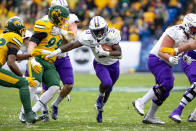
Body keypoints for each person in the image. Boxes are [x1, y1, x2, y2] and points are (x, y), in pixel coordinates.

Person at [42, 16, 122, 123]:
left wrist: (106, 53)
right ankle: (100, 98)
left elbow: (119, 54)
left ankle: (100, 109)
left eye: (101, 30)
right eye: (96, 31)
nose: (99, 34)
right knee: (106, 83)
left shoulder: (112, 34)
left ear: (106, 28)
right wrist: (57, 51)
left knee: (109, 89)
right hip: (100, 64)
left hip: (114, 65)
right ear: (91, 31)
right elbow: (73, 45)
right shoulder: (88, 37)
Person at [132, 13, 196, 124]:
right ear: (186, 24)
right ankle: (141, 101)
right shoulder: (174, 31)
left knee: (165, 91)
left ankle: (150, 116)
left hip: (166, 63)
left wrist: (185, 58)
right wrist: (170, 59)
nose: (194, 30)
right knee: (168, 82)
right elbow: (162, 51)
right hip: (157, 59)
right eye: (193, 28)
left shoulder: (189, 37)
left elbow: (181, 52)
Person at [19, 5, 70, 123]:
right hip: (38, 59)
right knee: (34, 83)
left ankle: (33, 110)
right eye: (62, 18)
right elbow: (32, 43)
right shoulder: (44, 25)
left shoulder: (59, 28)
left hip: (50, 62)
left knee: (54, 87)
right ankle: (23, 113)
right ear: (55, 17)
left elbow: (71, 39)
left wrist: (62, 31)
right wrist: (32, 59)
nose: (64, 21)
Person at [0, 16, 45, 124]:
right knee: (24, 83)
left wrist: (29, 55)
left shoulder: (3, 36)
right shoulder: (14, 37)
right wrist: (23, 77)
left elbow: (12, 56)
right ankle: (29, 115)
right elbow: (11, 62)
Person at [40, 0, 79, 121]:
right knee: (46, 89)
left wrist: (61, 31)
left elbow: (73, 36)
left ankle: (55, 104)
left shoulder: (71, 18)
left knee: (69, 85)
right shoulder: (45, 20)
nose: (63, 12)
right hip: (48, 58)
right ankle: (44, 109)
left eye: (65, 8)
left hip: (62, 57)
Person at [159, 13, 196, 123]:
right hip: (191, 59)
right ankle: (177, 111)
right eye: (193, 28)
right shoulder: (179, 32)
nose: (194, 30)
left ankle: (194, 116)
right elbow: (190, 46)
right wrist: (176, 51)